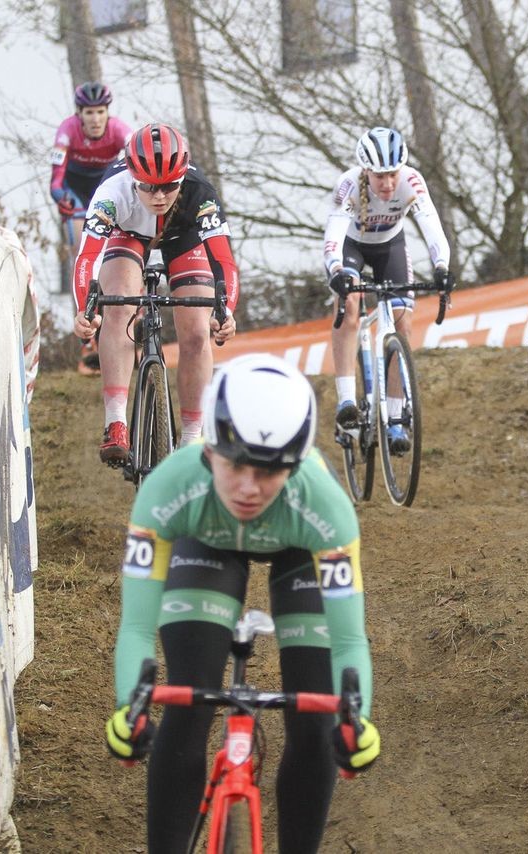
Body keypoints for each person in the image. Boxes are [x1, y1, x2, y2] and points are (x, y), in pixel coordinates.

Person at [103, 354, 380, 853]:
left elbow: (348, 639)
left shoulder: (325, 506)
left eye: (272, 471)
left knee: (317, 728)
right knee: (187, 701)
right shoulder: (169, 488)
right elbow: (137, 630)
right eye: (236, 465)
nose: (250, 489)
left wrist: (357, 721)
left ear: (296, 465)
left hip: (298, 551)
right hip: (204, 542)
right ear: (209, 450)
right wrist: (131, 706)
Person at [72, 123, 238, 464]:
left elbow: (223, 260)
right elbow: (88, 256)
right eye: (148, 187)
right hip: (127, 233)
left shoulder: (199, 192)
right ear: (133, 175)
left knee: (195, 332)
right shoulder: (111, 191)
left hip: (184, 237)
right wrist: (85, 309)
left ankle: (193, 440)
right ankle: (115, 421)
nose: (159, 197)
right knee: (120, 305)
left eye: (168, 187)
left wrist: (226, 311)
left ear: (182, 179)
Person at [322, 126, 453, 451]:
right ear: (366, 171)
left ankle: (396, 419)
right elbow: (333, 237)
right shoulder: (349, 184)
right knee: (349, 306)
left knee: (402, 322)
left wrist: (441, 267)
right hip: (352, 247)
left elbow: (432, 227)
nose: (388, 183)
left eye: (392, 174)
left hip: (390, 247)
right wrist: (336, 270)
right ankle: (347, 401)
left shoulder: (412, 182)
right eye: (380, 176)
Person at [50, 82, 132, 375]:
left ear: (107, 112)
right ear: (79, 114)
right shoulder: (67, 131)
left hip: (107, 191)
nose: (95, 119)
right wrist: (64, 201)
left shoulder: (122, 131)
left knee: (119, 252)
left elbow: (134, 172)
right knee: (80, 253)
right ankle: (86, 328)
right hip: (77, 193)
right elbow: (56, 183)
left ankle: (127, 324)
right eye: (89, 113)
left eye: (100, 112)